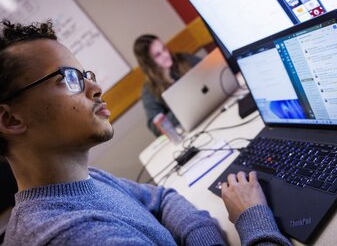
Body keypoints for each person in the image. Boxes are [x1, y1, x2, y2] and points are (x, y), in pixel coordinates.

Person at [0, 20, 291, 245]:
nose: (96, 87)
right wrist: (252, 218)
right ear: (11, 120)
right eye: (68, 78)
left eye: (85, 74)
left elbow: (163, 198)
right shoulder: (74, 235)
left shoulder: (89, 177)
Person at [133, 34, 202, 136]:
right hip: (191, 130)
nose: (165, 55)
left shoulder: (183, 59)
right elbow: (156, 127)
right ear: (148, 63)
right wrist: (184, 107)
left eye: (164, 49)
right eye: (158, 55)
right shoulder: (149, 90)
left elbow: (211, 72)